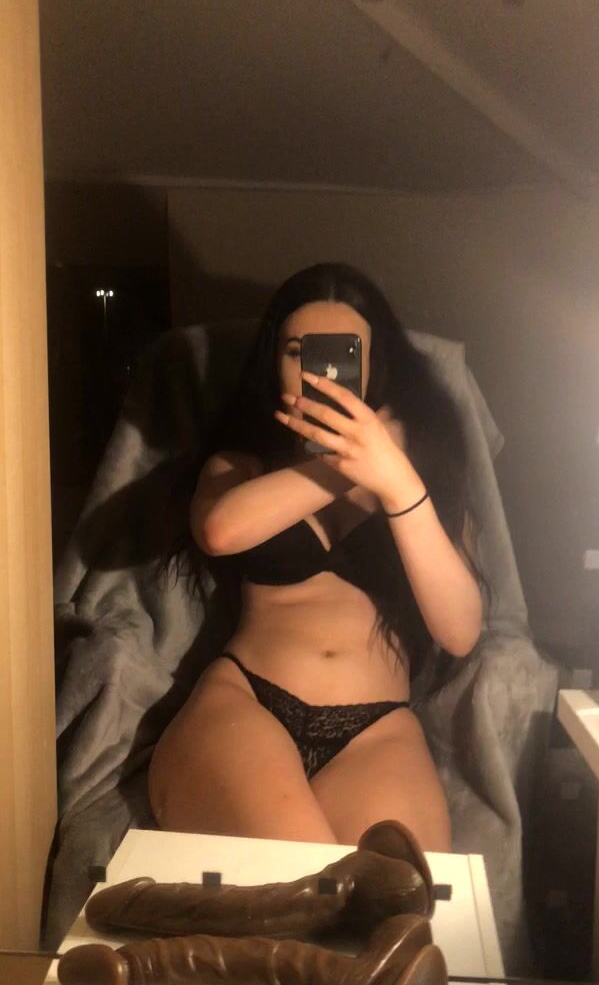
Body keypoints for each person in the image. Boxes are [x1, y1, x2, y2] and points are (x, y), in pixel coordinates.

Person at [148, 263, 485, 853]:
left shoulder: (421, 477)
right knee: (297, 884)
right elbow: (221, 531)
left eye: (343, 352)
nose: (317, 371)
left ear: (376, 361)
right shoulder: (242, 463)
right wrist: (347, 461)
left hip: (375, 732)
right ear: (272, 362)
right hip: (246, 704)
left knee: (394, 901)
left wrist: (397, 481)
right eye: (297, 352)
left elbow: (459, 630)